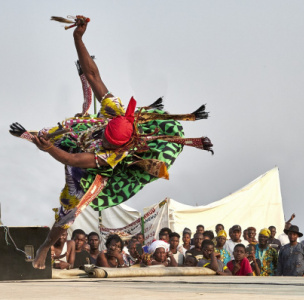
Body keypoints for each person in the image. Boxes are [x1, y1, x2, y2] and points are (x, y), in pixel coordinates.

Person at [14, 17, 213, 269]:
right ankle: (36, 136)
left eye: (107, 142)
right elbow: (93, 74)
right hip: (89, 134)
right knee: (63, 129)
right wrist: (78, 37)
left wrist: (48, 149)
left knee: (70, 211)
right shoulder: (116, 111)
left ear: (114, 145)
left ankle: (44, 247)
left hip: (91, 170)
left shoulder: (109, 156)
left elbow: (71, 159)